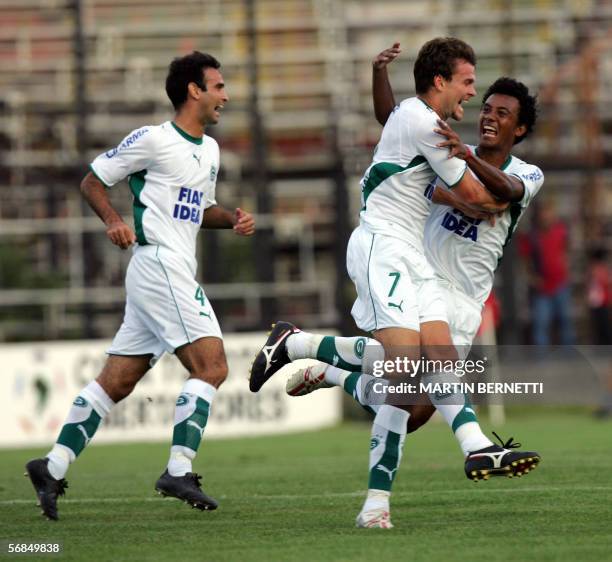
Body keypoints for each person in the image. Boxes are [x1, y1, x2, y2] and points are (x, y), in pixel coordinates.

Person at [250, 39, 540, 528]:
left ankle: (317, 359)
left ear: (521, 127)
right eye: (481, 100)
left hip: (458, 294)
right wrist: (463, 188)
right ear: (443, 82)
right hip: (408, 261)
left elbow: (502, 193)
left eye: (501, 111)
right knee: (406, 379)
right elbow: (401, 122)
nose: (486, 112)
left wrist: (466, 174)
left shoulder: (524, 171)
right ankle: (418, 480)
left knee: (412, 405)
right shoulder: (440, 137)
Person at [25, 51, 255, 521]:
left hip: (168, 270)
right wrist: (112, 220)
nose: (225, 96)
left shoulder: (208, 150)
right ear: (193, 90)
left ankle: (51, 465)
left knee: (118, 381)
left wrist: (230, 218)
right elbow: (93, 181)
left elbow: (198, 210)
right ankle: (178, 468)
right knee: (211, 367)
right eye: (218, 87)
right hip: (159, 265)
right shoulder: (153, 139)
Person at [519, 200, 575, 345]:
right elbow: (525, 260)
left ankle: (570, 358)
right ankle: (541, 361)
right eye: (543, 215)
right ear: (538, 217)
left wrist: (567, 269)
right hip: (542, 288)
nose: (546, 217)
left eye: (549, 214)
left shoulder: (561, 230)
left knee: (566, 321)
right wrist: (532, 278)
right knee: (541, 324)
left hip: (561, 284)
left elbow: (566, 251)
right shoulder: (531, 236)